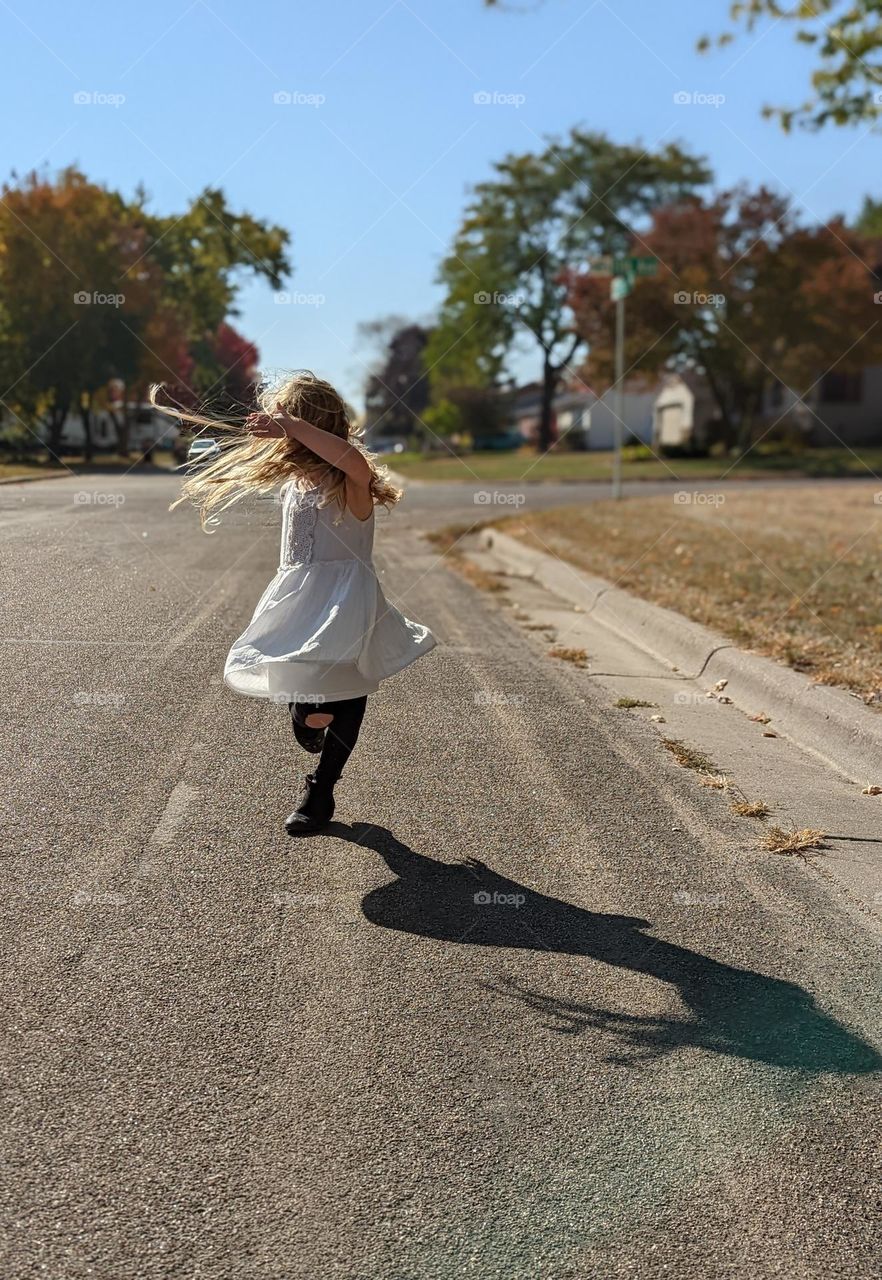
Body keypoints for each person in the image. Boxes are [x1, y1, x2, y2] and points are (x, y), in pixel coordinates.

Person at [152, 372, 436, 835]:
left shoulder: (350, 481)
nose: (279, 429)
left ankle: (321, 790)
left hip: (345, 602)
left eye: (289, 420)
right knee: (304, 703)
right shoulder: (293, 485)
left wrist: (290, 425)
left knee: (347, 689)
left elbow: (355, 464)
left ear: (310, 426)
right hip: (295, 597)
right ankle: (307, 720)